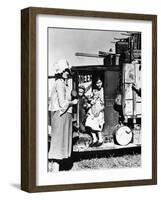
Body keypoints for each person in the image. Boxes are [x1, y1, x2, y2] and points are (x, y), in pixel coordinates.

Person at [48, 59, 78, 172]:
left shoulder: (63, 84)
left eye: (67, 70)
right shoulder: (59, 84)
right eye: (65, 70)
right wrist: (72, 102)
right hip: (61, 115)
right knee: (58, 141)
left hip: (65, 115)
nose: (67, 72)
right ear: (60, 71)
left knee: (61, 141)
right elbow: (62, 103)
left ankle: (58, 167)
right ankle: (54, 169)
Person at [85, 77, 104, 147]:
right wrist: (91, 101)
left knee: (97, 125)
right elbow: (91, 99)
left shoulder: (103, 90)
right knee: (90, 123)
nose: (98, 84)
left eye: (100, 82)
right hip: (93, 108)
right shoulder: (94, 90)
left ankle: (100, 139)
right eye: (97, 83)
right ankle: (95, 139)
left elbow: (104, 102)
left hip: (100, 109)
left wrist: (99, 109)